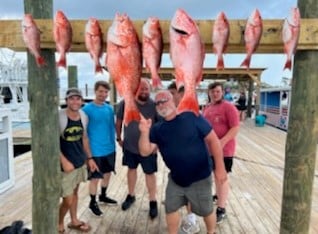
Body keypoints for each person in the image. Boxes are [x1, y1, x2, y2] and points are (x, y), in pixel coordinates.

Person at [138, 90, 227, 234]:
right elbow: (145, 151)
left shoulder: (192, 116)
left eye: (164, 100)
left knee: (207, 210)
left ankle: (211, 231)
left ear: (173, 101)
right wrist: (143, 132)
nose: (161, 105)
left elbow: (213, 140)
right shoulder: (156, 129)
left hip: (200, 177)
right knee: (170, 208)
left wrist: (220, 168)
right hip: (176, 179)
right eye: (157, 103)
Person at [116, 78, 160, 219]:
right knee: (131, 170)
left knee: (150, 173)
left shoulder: (155, 106)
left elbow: (160, 127)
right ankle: (131, 195)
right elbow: (119, 121)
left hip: (148, 147)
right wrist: (118, 138)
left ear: (150, 90)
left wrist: (157, 144)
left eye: (146, 88)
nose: (143, 91)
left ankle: (152, 201)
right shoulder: (125, 103)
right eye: (141, 88)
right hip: (130, 145)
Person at [58, 88, 98, 233]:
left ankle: (74, 220)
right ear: (66, 100)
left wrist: (90, 158)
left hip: (79, 161)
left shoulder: (83, 116)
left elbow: (84, 138)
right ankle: (59, 223)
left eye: (78, 99)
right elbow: (51, 142)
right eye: (71, 98)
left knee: (75, 193)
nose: (75, 101)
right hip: (64, 165)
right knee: (67, 199)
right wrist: (63, 161)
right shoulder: (59, 117)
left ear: (81, 101)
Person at [202, 82, 240, 224]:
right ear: (209, 93)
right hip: (209, 150)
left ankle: (221, 209)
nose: (215, 94)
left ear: (222, 92)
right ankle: (218, 196)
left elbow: (235, 128)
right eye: (213, 91)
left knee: (222, 178)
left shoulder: (228, 107)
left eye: (218, 91)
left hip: (224, 151)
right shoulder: (207, 108)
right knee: (215, 176)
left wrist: (221, 142)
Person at [82, 81, 117, 217]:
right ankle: (92, 202)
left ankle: (103, 195)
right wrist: (87, 154)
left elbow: (111, 127)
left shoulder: (109, 108)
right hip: (95, 150)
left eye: (105, 92)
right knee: (95, 178)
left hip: (109, 149)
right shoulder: (86, 109)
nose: (103, 94)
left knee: (107, 174)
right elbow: (83, 132)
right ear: (95, 91)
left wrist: (115, 143)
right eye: (100, 91)